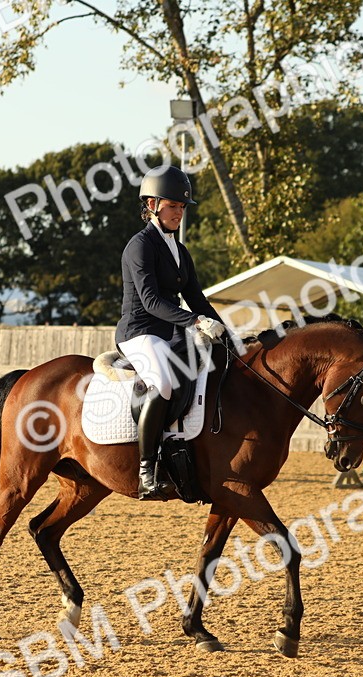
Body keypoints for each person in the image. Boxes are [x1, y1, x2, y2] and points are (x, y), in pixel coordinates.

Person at [116, 165, 225, 500]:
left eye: (182, 207)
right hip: (139, 331)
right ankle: (147, 472)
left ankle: (188, 449)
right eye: (173, 206)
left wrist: (228, 335)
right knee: (162, 381)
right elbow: (149, 301)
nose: (179, 213)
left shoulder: (180, 250)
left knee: (216, 357)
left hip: (169, 331)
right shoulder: (140, 246)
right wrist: (194, 323)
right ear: (152, 204)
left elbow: (196, 299)